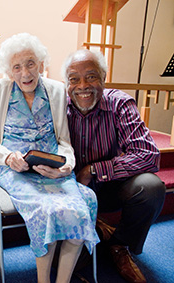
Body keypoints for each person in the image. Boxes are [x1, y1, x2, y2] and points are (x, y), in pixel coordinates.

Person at [0, 33, 99, 283]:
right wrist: (8, 157)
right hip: (14, 169)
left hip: (52, 169)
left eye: (31, 63)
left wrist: (65, 167)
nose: (25, 72)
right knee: (47, 209)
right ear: (9, 71)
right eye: (17, 67)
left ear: (41, 64)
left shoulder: (56, 90)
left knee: (84, 203)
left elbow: (64, 142)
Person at [63, 49, 166, 283]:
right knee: (76, 263)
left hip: (112, 186)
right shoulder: (58, 106)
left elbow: (148, 155)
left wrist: (93, 170)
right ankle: (97, 230)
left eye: (91, 76)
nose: (83, 86)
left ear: (104, 77)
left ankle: (120, 244)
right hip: (72, 191)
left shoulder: (120, 104)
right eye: (74, 79)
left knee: (150, 187)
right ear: (66, 83)